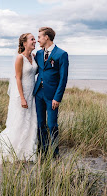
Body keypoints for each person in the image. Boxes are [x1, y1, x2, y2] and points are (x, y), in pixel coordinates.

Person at [0, 33, 38, 164]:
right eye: (32, 39)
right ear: (24, 43)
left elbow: (34, 72)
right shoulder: (19, 58)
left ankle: (28, 146)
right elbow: (18, 78)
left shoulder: (33, 56)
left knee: (30, 119)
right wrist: (22, 98)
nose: (35, 41)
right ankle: (15, 147)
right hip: (22, 94)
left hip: (32, 94)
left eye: (35, 39)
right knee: (19, 121)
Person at [33, 27, 69, 158]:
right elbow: (35, 69)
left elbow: (63, 78)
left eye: (39, 37)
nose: (37, 40)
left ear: (46, 37)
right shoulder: (38, 54)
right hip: (38, 94)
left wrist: (57, 98)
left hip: (52, 96)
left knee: (52, 124)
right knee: (40, 123)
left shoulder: (61, 54)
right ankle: (43, 149)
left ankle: (55, 153)